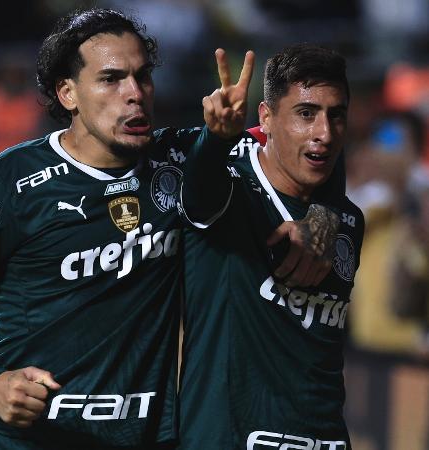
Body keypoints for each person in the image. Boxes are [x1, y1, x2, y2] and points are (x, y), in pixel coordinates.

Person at [0, 8, 340, 450]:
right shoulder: (8, 182)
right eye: (111, 79)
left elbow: (309, 148)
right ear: (67, 92)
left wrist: (324, 215)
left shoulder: (185, 156)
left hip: (145, 437)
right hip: (31, 438)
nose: (135, 93)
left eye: (143, 76)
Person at [178, 44, 364, 450]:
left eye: (337, 115)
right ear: (266, 118)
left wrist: (327, 209)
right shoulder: (233, 194)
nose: (324, 133)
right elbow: (199, 191)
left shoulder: (347, 220)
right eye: (305, 113)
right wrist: (215, 139)